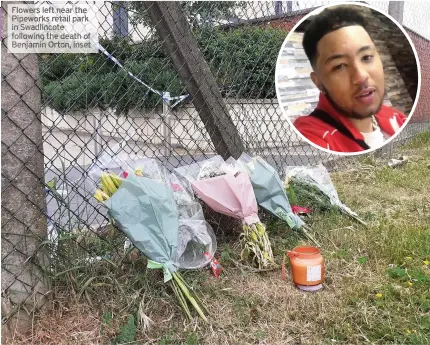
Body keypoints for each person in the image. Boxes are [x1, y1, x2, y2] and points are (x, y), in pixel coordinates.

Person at [293, 6, 407, 153]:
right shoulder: (312, 135)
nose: (361, 76)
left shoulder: (396, 118)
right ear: (318, 82)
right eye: (340, 66)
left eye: (366, 57)